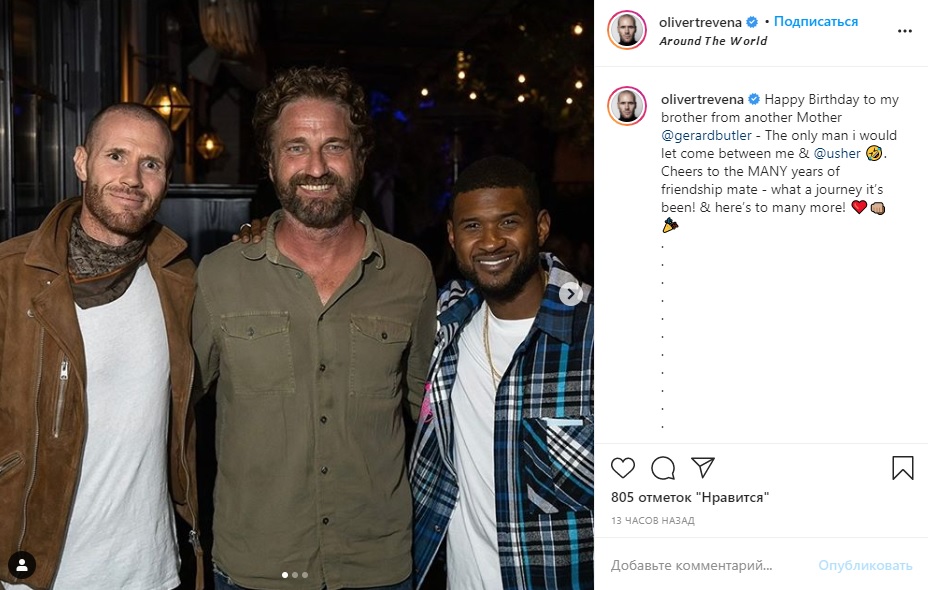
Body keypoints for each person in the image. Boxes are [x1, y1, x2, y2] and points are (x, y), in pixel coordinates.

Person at [192, 66, 436, 590]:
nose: (317, 167)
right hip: (257, 566)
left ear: (360, 157)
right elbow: (170, 409)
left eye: (334, 147)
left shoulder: (411, 272)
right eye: (296, 148)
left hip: (378, 566)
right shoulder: (218, 276)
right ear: (271, 162)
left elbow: (434, 417)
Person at [0, 103, 203, 589]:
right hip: (34, 570)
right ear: (81, 162)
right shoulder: (10, 277)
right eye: (116, 156)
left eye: (150, 164)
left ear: (166, 180)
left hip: (150, 570)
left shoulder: (180, 279)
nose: (132, 178)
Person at [409, 156, 593, 589]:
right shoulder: (446, 323)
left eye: (508, 222)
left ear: (541, 227)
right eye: (472, 226)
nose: (490, 242)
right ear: (452, 237)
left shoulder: (595, 337)